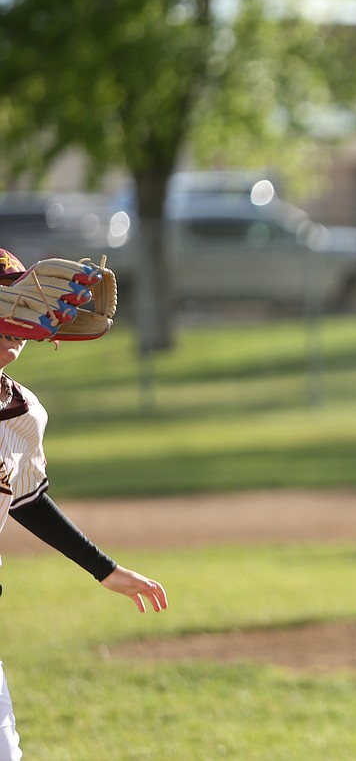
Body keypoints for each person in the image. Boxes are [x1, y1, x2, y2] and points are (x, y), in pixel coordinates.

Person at [0, 249, 168, 760]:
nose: (20, 321)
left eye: (23, 307)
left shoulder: (21, 414)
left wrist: (104, 568)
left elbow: (25, 497)